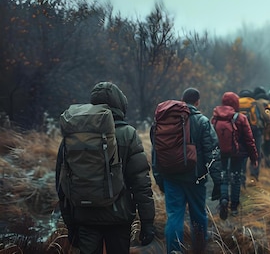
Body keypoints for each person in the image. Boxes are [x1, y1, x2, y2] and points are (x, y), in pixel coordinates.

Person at [56, 82, 155, 254]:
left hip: (84, 216)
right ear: (120, 103)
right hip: (119, 217)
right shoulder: (128, 134)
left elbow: (62, 183)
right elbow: (141, 182)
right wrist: (147, 222)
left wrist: (70, 223)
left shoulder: (73, 136)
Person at [153, 87, 220, 253]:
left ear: (182, 100)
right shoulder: (202, 121)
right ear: (197, 102)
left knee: (174, 216)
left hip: (170, 176)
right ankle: (199, 249)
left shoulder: (163, 120)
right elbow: (212, 151)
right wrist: (218, 180)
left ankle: (174, 250)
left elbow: (156, 153)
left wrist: (159, 178)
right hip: (195, 178)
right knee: (198, 215)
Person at [212, 91, 259, 219]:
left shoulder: (216, 116)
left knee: (223, 177)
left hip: (221, 152)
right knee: (236, 178)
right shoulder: (241, 118)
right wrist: (254, 157)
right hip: (238, 153)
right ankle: (234, 208)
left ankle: (223, 200)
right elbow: (249, 140)